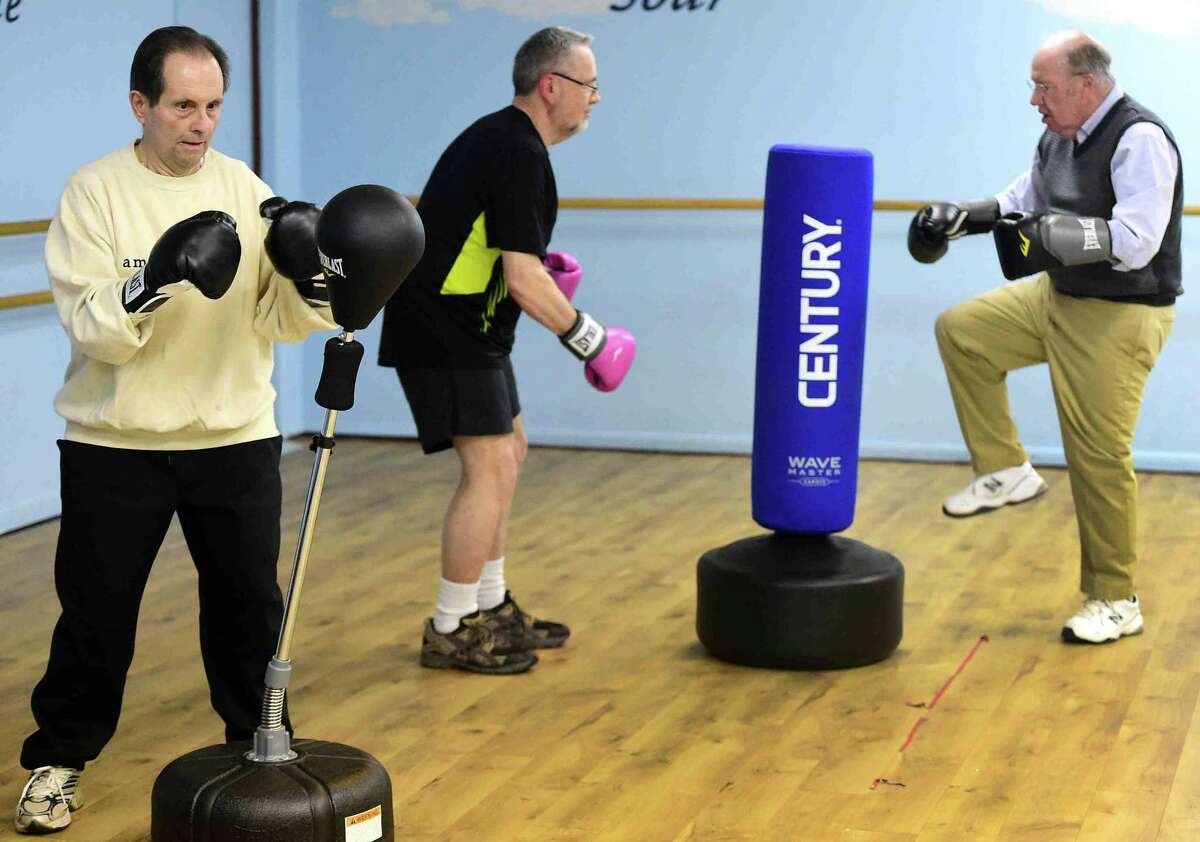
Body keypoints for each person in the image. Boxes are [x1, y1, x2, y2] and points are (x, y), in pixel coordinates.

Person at [14, 26, 336, 834]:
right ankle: (58, 760)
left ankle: (262, 745)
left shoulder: (243, 185)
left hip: (233, 437)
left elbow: (279, 319)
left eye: (214, 106)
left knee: (249, 609)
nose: (201, 123)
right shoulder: (94, 193)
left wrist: (309, 276)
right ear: (141, 104)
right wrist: (156, 277)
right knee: (96, 615)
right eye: (184, 106)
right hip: (115, 444)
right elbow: (93, 330)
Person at [908, 31, 1181, 645]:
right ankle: (1006, 469)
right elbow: (1019, 201)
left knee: (1098, 456)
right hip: (1057, 296)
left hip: (1120, 314)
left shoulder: (1140, 138)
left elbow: (1137, 239)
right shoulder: (1059, 136)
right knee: (963, 332)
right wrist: (962, 216)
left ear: (1085, 85)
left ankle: (1115, 600)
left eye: (1044, 86)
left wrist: (1055, 237)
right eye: (1034, 85)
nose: (1034, 98)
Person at [378, 26, 635, 675]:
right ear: (552, 86)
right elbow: (523, 281)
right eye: (589, 85)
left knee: (508, 455)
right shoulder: (514, 150)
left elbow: (509, 258)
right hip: (445, 330)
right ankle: (452, 624)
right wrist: (589, 337)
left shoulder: (509, 142)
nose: (595, 99)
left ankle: (487, 605)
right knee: (488, 469)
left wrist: (548, 278)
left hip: (472, 329)